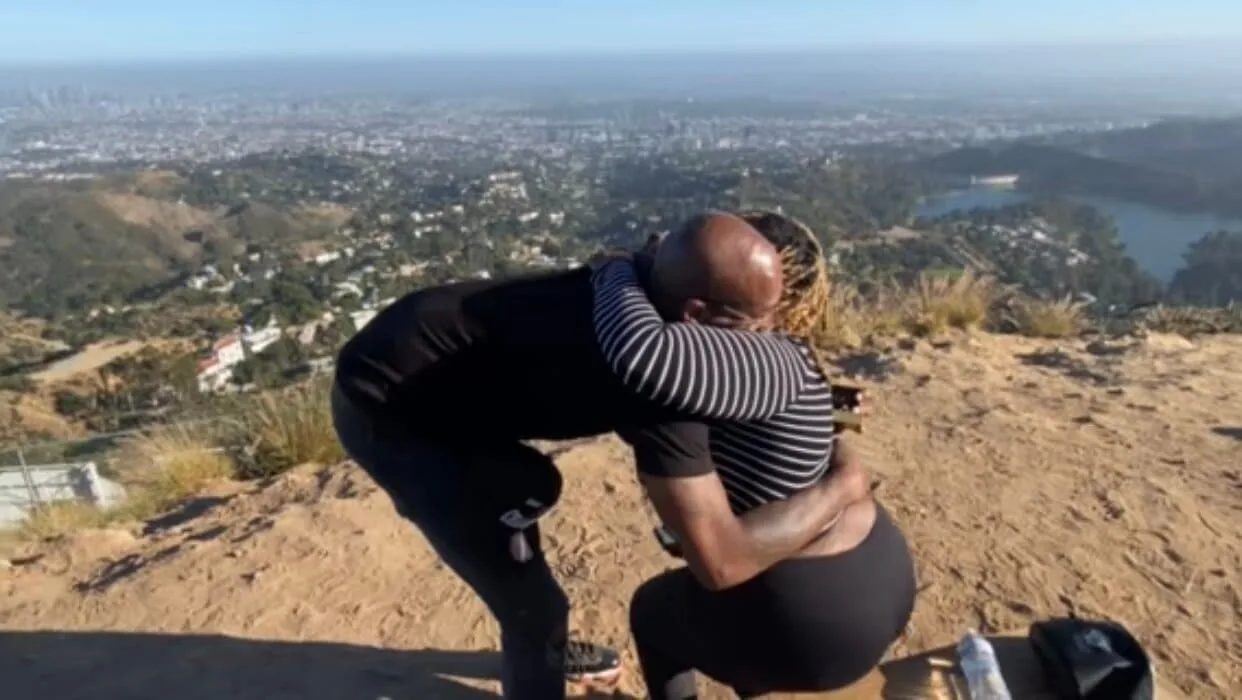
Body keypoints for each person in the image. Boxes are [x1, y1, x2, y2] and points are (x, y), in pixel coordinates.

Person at [330, 212, 863, 700]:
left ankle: (542, 635)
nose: (769, 338)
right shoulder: (654, 375)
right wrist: (840, 481)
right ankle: (541, 643)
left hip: (430, 360)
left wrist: (816, 400)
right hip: (391, 408)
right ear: (699, 311)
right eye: (760, 324)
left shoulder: (650, 288)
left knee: (529, 487)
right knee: (536, 607)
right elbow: (719, 554)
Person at [589, 210, 917, 699]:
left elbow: (641, 350)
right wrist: (841, 471)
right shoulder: (785, 352)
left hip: (815, 621)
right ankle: (754, 672)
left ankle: (754, 670)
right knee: (731, 617)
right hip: (879, 571)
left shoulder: (726, 367)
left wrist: (616, 267)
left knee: (653, 611)